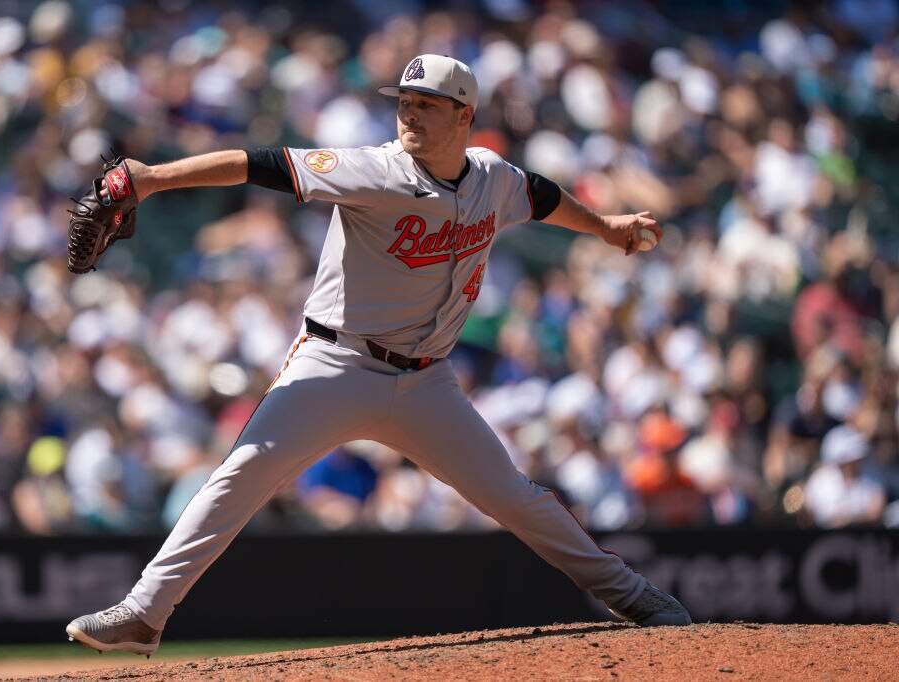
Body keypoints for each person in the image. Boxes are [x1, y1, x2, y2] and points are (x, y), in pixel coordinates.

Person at [65, 54, 691, 657]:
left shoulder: (493, 178)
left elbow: (542, 195)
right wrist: (151, 178)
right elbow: (260, 165)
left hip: (427, 385)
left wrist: (606, 227)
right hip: (334, 364)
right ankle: (144, 613)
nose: (410, 115)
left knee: (515, 497)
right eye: (405, 103)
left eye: (427, 105)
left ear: (464, 116)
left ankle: (635, 598)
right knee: (240, 474)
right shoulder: (374, 169)